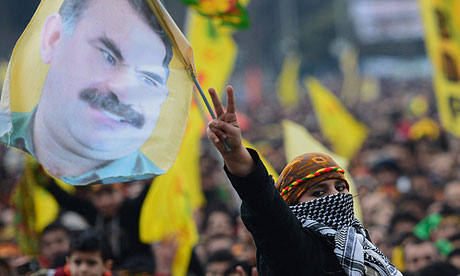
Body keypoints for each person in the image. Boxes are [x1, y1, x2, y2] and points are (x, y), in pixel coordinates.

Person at [206, 86, 402, 275]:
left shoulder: (363, 246)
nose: (335, 195)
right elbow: (266, 207)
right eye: (318, 192)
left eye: (341, 187)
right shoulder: (295, 251)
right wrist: (236, 155)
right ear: (290, 206)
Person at [0, 0, 173, 185]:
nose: (124, 90)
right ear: (53, 38)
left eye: (148, 79)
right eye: (108, 56)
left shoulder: (160, 186)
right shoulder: (7, 133)